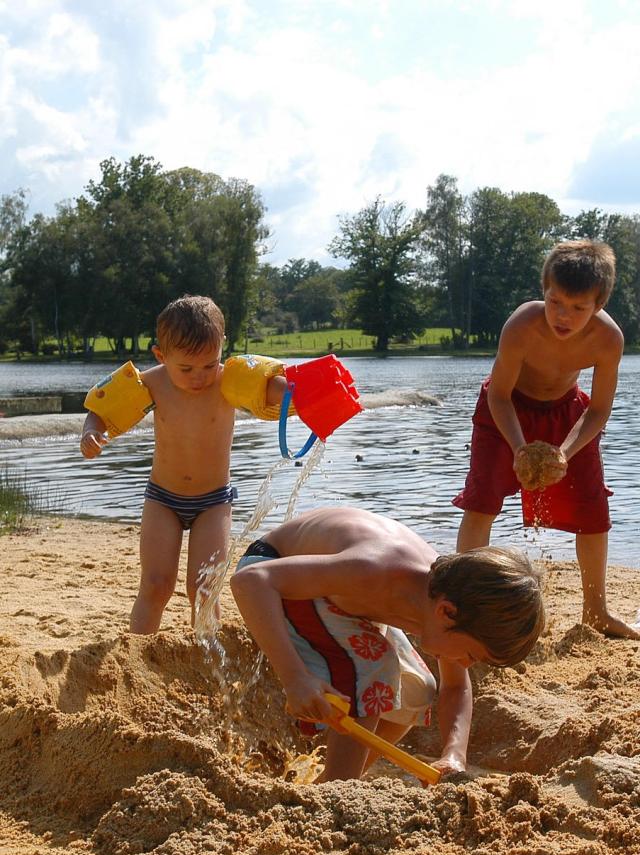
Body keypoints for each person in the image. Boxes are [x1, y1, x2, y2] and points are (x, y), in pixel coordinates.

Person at [230, 506, 544, 782]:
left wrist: (454, 755)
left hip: (336, 595)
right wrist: (295, 679)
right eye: (472, 654)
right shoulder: (374, 570)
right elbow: (251, 581)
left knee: (417, 689)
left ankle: (334, 780)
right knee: (374, 666)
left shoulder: (449, 599)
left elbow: (455, 688)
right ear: (446, 612)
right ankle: (337, 787)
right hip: (277, 572)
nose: (466, 664)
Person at [453, 239, 638, 640]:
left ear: (598, 305)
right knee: (481, 500)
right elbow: (498, 395)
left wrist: (565, 452)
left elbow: (599, 409)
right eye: (555, 302)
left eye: (578, 308)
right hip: (505, 409)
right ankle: (464, 604)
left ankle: (596, 612)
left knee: (593, 509)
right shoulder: (522, 325)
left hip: (567, 412)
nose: (563, 316)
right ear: (544, 291)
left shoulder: (608, 339)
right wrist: (519, 447)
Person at [80, 294, 286, 634]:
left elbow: (272, 388)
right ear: (162, 355)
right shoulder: (152, 383)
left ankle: (204, 659)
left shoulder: (229, 380)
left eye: (209, 364)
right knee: (156, 583)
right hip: (163, 499)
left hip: (214, 502)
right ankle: (138, 653)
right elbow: (102, 410)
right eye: (186, 368)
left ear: (222, 348)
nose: (199, 377)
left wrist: (301, 391)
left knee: (204, 589)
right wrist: (91, 432)